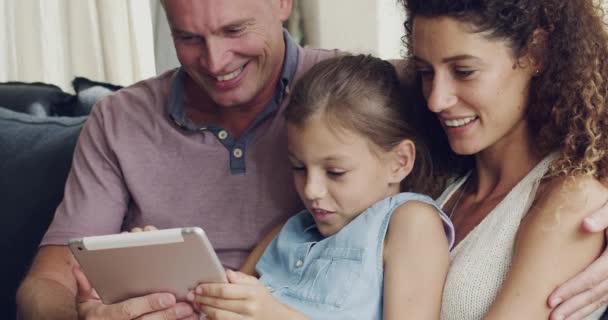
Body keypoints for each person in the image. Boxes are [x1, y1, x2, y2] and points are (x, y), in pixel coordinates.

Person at [14, 0, 608, 319]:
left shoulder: (568, 196)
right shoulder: (436, 146)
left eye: (463, 72)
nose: (436, 97)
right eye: (188, 37)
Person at [15, 0, 339, 319]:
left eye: (235, 29)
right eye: (189, 38)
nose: (215, 63)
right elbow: (46, 283)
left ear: (283, 4)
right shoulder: (120, 117)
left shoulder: (359, 90)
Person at [190, 54, 455, 320]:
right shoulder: (288, 231)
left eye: (335, 172)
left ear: (399, 162)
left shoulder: (409, 222)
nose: (310, 190)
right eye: (299, 168)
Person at [400, 0, 608, 319]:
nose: (436, 99)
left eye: (464, 71)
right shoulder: (438, 186)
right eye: (426, 71)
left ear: (535, 54)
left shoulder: (572, 202)